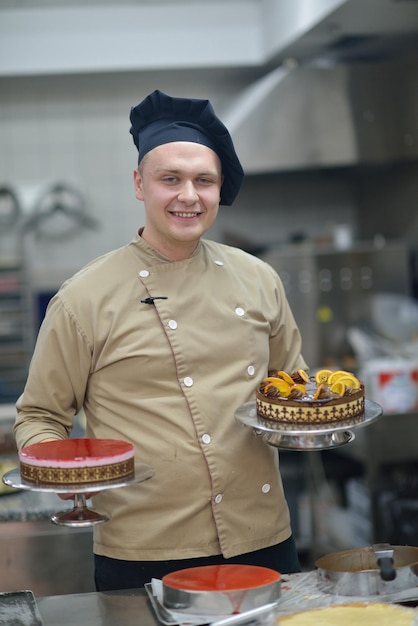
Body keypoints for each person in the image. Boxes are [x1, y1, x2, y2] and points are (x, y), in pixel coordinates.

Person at [14, 89, 308, 591]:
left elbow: (291, 386)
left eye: (204, 181)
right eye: (170, 179)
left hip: (263, 536)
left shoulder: (259, 278)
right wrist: (58, 468)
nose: (188, 196)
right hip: (144, 549)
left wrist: (311, 419)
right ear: (139, 184)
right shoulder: (84, 297)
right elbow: (40, 416)